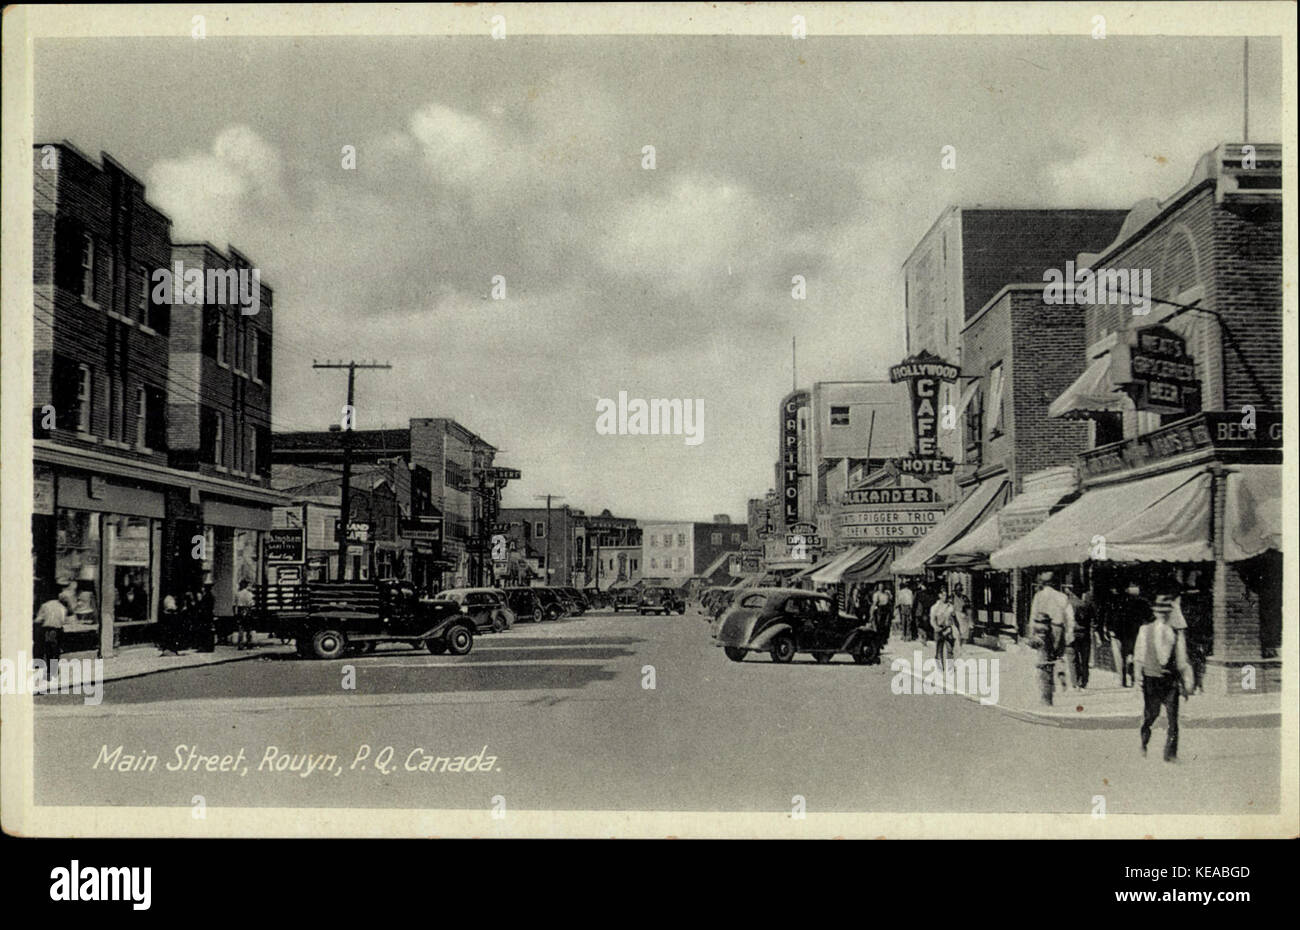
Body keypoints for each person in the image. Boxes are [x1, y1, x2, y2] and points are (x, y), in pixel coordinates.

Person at [1135, 594, 1195, 762]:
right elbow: (1139, 656)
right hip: (1151, 679)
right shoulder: (1145, 630)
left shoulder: (1175, 633)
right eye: (1159, 611)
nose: (1163, 614)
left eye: (1166, 611)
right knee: (1151, 715)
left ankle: (1170, 754)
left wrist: (1188, 681)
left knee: (1172, 719)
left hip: (1170, 680)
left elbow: (1182, 659)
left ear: (1170, 612)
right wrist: (1137, 678)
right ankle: (1144, 742)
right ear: (1154, 611)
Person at [1027, 570, 1073, 705]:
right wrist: (1069, 633)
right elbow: (1070, 617)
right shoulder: (1062, 597)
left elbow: (1032, 616)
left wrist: (1031, 634)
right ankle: (1060, 678)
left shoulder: (1038, 596)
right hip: (1058, 629)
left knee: (1043, 661)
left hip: (1042, 630)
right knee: (1057, 659)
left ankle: (1046, 696)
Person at [1114, 582, 1150, 688]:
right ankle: (1135, 679)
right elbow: (1149, 617)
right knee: (1137, 656)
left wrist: (1116, 632)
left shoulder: (1121, 603)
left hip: (1125, 633)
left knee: (1124, 657)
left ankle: (1124, 679)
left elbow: (1117, 618)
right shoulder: (1143, 603)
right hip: (1137, 632)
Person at [1064, 583, 1095, 689]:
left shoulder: (1068, 603)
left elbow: (1067, 620)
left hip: (1072, 633)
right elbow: (1093, 618)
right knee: (1085, 659)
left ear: (1071, 591)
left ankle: (1075, 682)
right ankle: (1084, 681)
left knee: (1072, 659)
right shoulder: (1088, 604)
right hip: (1085, 634)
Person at [34, 587, 71, 666]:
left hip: (48, 629)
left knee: (49, 649)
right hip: (59, 630)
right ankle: (54, 669)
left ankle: (48, 669)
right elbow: (64, 620)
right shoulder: (63, 607)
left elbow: (38, 620)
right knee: (56, 649)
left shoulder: (45, 605)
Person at [930, 588, 957, 675]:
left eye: (946, 595)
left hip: (948, 629)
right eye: (943, 595)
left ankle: (950, 669)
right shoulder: (935, 607)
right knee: (939, 650)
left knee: (950, 649)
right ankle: (939, 669)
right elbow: (932, 619)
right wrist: (936, 627)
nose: (945, 597)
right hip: (938, 629)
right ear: (940, 595)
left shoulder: (950, 607)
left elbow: (954, 618)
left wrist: (954, 627)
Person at [234, 579, 256, 650]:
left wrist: (235, 613)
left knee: (241, 628)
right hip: (247, 610)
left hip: (240, 611)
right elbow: (252, 604)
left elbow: (235, 605)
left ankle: (240, 644)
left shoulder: (238, 594)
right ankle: (249, 643)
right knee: (249, 628)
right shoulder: (250, 594)